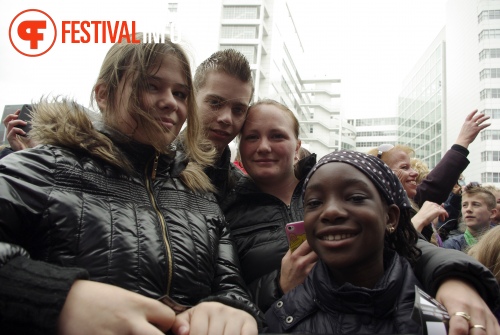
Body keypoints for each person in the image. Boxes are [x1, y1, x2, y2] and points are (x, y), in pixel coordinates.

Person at [0, 34, 261, 335]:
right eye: (151, 86)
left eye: (179, 93)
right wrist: (59, 298)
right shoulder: (42, 168)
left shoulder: (199, 193)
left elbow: (231, 286)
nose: (169, 102)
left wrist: (233, 311)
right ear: (103, 94)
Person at [225, 99, 500, 335]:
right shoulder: (226, 207)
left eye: (277, 136)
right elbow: (224, 290)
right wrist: (278, 285)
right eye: (251, 137)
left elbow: (408, 244)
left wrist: (453, 277)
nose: (264, 146)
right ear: (239, 145)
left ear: (297, 145)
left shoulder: (332, 178)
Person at [265, 151, 423, 334]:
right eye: (315, 202)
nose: (330, 212)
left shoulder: (439, 318)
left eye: (355, 198)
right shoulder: (279, 321)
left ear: (391, 218)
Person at [367, 110, 489, 241]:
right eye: (404, 167)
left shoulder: (410, 203)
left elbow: (436, 184)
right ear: (382, 175)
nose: (414, 173)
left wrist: (463, 141)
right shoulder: (369, 211)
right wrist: (419, 220)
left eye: (412, 167)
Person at [191, 48, 254, 203]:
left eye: (238, 110)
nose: (226, 118)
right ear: (191, 99)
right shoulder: (150, 171)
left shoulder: (244, 193)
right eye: (215, 103)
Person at [443, 184, 498, 252]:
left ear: (492, 213)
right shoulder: (451, 246)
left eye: (476, 204)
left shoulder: (497, 241)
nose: (468, 209)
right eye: (464, 205)